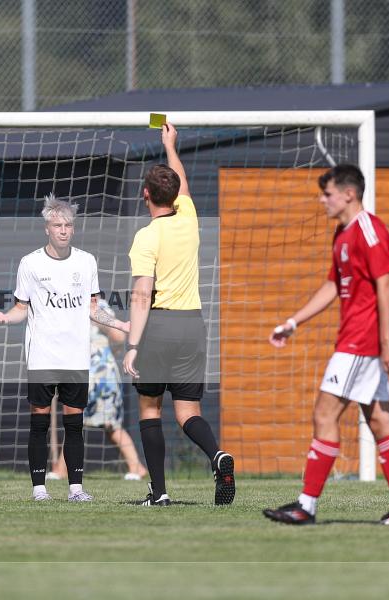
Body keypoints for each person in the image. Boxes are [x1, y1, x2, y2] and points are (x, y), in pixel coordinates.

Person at [263, 164, 389, 526]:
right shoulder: (342, 235)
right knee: (380, 420)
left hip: (361, 342)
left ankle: (306, 505)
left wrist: (386, 342)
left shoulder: (370, 230)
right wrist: (292, 322)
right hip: (357, 340)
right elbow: (333, 285)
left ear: (349, 194)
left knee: (324, 413)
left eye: (328, 194)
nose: (323, 200)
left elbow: (385, 285)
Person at [0, 194, 129, 502]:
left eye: (68, 225)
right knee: (39, 423)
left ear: (73, 229)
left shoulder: (86, 261)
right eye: (57, 225)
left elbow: (94, 308)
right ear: (47, 228)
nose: (63, 230)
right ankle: (39, 490)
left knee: (75, 424)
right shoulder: (31, 263)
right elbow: (21, 308)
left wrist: (120, 324)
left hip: (76, 357)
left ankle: (76, 488)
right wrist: (5, 318)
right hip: (43, 357)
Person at [122, 123, 235, 507]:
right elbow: (182, 183)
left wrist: (133, 345)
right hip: (192, 324)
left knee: (150, 410)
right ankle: (217, 456)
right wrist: (171, 144)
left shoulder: (146, 236)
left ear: (146, 195)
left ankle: (159, 492)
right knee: (189, 412)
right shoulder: (188, 218)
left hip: (160, 325)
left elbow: (141, 295)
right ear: (174, 196)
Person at [49, 299, 147, 481]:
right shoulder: (68, 304)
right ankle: (61, 469)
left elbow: (119, 337)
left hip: (102, 378)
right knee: (75, 422)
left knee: (111, 425)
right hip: (80, 373)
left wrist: (100, 323)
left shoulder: (98, 306)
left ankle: (137, 467)